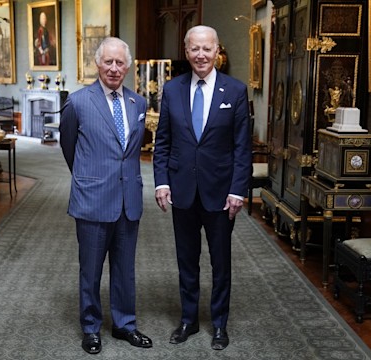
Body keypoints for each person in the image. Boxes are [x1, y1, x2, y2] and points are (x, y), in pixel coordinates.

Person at [152, 25, 251, 351]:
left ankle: (219, 323)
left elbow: (242, 147)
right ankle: (189, 319)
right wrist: (162, 182)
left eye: (207, 48)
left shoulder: (235, 91)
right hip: (182, 191)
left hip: (221, 194)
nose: (201, 55)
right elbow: (163, 142)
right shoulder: (173, 89)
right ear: (186, 50)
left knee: (220, 263)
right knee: (186, 260)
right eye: (194, 49)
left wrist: (238, 189)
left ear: (217, 49)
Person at [59, 37, 151, 355]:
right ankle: (90, 327)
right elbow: (68, 145)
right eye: (108, 62)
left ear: (128, 67)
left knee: (125, 268)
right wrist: (88, 177)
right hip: (92, 199)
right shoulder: (78, 102)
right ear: (97, 64)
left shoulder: (138, 104)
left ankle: (125, 324)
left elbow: (133, 151)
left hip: (129, 200)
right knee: (91, 269)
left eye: (119, 63)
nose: (114, 68)